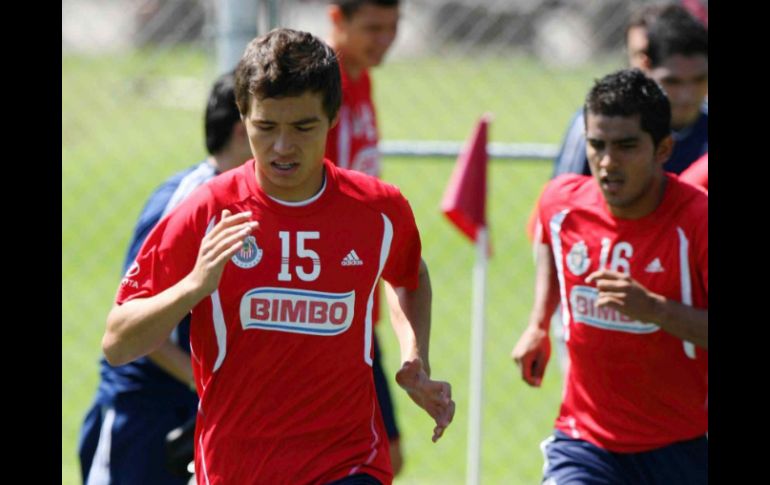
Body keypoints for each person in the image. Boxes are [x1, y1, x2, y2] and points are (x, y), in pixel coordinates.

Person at [101, 28, 455, 485]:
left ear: (332, 119)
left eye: (303, 127)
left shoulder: (378, 210)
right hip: (235, 468)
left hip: (348, 465)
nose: (283, 147)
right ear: (243, 117)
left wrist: (415, 358)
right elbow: (118, 343)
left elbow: (408, 274)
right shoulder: (207, 210)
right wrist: (193, 286)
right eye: (265, 127)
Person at [512, 68, 708, 484]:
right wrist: (537, 324)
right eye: (596, 145)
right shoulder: (562, 202)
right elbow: (549, 242)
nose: (606, 162)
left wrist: (653, 309)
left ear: (663, 149)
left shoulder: (698, 220)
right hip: (585, 442)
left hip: (683, 443)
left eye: (626, 146)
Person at [78, 71, 251, 485]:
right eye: (272, 123)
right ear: (244, 129)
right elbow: (132, 319)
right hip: (143, 411)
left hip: (199, 405)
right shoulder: (185, 201)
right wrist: (205, 382)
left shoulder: (256, 200)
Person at [325, 0, 404, 473]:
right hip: (329, 302)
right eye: (372, 28)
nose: (384, 40)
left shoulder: (361, 79)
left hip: (359, 302)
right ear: (338, 18)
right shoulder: (320, 84)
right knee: (369, 457)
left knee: (381, 455)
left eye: (392, 28)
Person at [552, 3, 708, 178]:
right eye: (672, 81)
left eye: (699, 80)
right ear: (646, 66)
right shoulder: (599, 124)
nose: (686, 95)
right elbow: (563, 199)